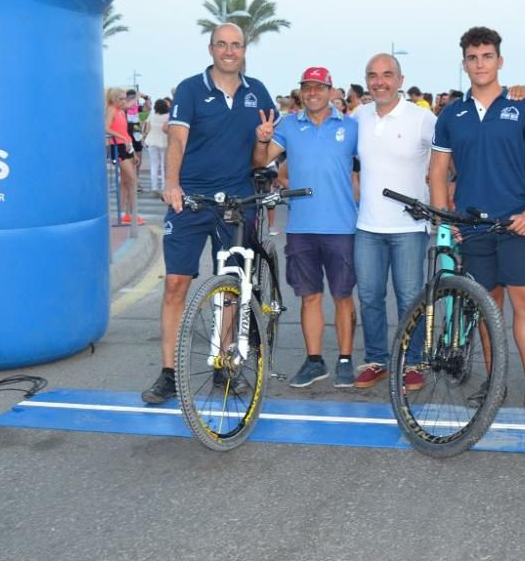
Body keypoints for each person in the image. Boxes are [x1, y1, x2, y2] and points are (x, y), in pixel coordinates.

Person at [430, 26, 525, 414]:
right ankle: (494, 384)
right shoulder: (451, 114)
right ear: (464, 64)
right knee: (485, 308)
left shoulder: (522, 109)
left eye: (487, 56)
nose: (480, 64)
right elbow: (438, 172)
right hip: (471, 226)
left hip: (516, 225)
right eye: (473, 58)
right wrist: (444, 222)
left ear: (499, 61)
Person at [142, 23, 278, 404]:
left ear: (244, 50)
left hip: (236, 201)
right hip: (190, 199)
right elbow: (177, 140)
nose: (229, 51)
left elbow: (259, 160)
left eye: (235, 45)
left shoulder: (259, 93)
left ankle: (223, 365)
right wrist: (172, 184)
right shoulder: (190, 88)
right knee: (175, 285)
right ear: (211, 49)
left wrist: (263, 142)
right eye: (222, 44)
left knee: (230, 289)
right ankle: (168, 373)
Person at [262, 66, 360, 389]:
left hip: (342, 226)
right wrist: (261, 141)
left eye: (319, 87)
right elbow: (261, 161)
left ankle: (345, 359)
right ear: (301, 92)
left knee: (343, 296)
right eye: (307, 87)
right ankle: (315, 361)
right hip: (302, 226)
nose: (313, 92)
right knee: (309, 297)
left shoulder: (352, 126)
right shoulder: (288, 125)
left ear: (331, 90)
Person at [352, 54, 436, 390]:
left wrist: (442, 199)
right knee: (370, 297)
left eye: (387, 75)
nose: (379, 82)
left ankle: (413, 362)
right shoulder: (358, 117)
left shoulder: (422, 118)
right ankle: (377, 360)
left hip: (409, 228)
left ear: (400, 80)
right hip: (368, 227)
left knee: (409, 298)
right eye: (372, 75)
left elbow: (449, 159)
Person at [104, 87, 143, 225]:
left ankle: (124, 214)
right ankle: (133, 213)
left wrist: (137, 96)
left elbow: (129, 104)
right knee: (132, 180)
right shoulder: (111, 109)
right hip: (118, 146)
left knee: (126, 182)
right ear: (113, 99)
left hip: (127, 146)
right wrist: (122, 137)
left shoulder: (121, 110)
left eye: (124, 98)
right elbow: (106, 127)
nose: (123, 101)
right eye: (120, 99)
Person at [143, 98, 169, 191]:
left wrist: (144, 137)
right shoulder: (168, 116)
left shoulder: (152, 113)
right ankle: (163, 186)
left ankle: (154, 187)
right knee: (163, 165)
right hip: (164, 142)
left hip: (152, 141)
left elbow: (148, 127)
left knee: (154, 165)